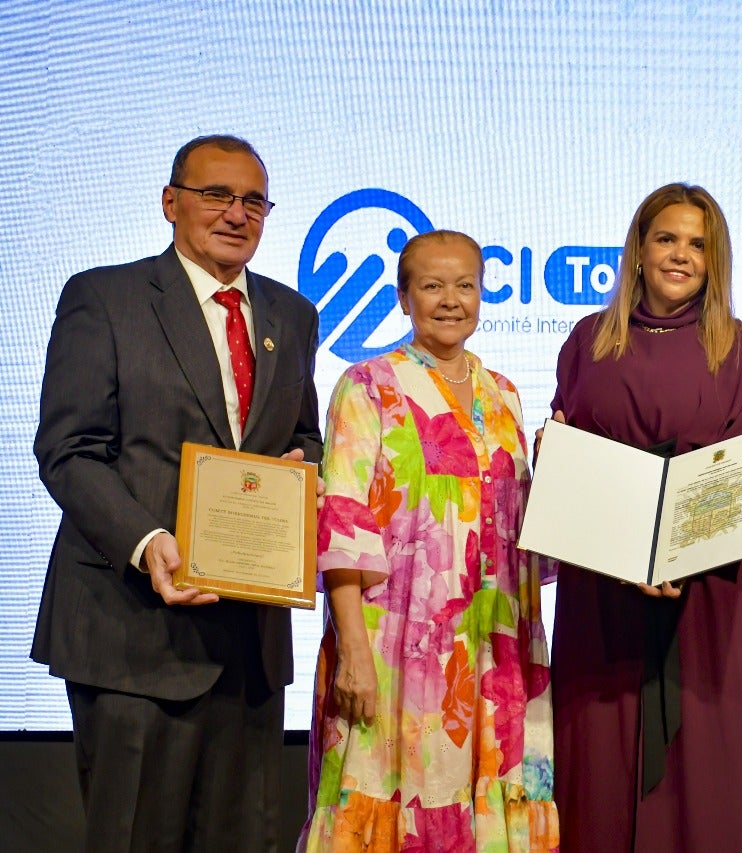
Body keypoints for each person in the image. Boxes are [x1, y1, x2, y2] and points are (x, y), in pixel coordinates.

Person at [31, 134, 322, 849]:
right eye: (215, 194)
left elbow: (307, 436)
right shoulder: (105, 297)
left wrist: (297, 478)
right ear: (171, 202)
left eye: (253, 200)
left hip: (249, 639)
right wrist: (148, 541)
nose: (235, 213)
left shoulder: (291, 314)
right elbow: (69, 450)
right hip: (132, 634)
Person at [299, 230, 557, 851]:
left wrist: (555, 479)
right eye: (432, 285)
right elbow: (342, 522)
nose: (450, 300)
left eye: (464, 285)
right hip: (393, 654)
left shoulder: (504, 396)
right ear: (403, 296)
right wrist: (353, 652)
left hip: (497, 651)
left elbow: (519, 535)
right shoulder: (367, 386)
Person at [548, 183, 742, 851]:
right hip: (601, 592)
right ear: (639, 250)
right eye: (666, 238)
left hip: (702, 594)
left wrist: (674, 557)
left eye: (698, 244)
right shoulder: (589, 338)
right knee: (597, 763)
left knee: (704, 781)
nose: (681, 254)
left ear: (716, 259)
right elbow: (569, 446)